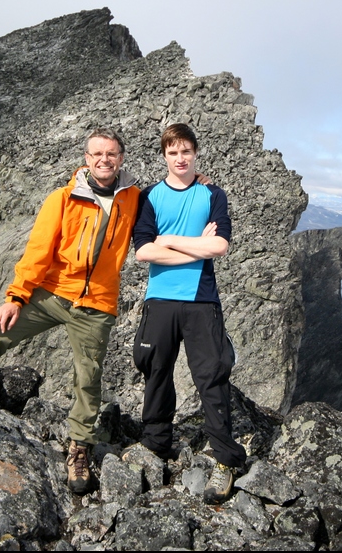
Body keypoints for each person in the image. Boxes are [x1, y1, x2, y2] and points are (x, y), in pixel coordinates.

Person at [0, 128, 139, 496]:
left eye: (111, 154)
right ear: (86, 159)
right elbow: (39, 249)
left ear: (121, 158)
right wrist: (16, 298)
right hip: (52, 293)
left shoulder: (134, 198)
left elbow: (169, 200)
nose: (104, 160)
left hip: (96, 304)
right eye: (97, 154)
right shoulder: (63, 198)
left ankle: (79, 447)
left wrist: (194, 179)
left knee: (88, 376)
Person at [132, 122, 247, 505]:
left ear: (195, 152)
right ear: (164, 155)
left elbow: (220, 246)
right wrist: (196, 245)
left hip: (202, 300)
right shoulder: (150, 197)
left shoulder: (212, 193)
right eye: (173, 152)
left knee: (212, 375)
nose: (180, 158)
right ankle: (156, 443)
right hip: (160, 299)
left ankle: (225, 459)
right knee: (156, 369)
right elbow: (143, 251)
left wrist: (169, 241)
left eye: (185, 151)